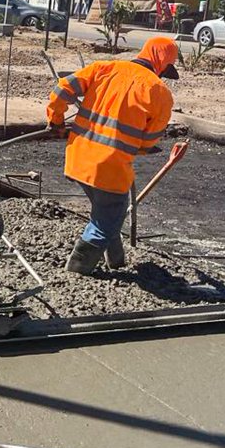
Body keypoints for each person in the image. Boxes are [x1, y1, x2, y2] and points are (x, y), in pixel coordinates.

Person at [46, 36, 180, 274]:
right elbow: (150, 140)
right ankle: (77, 270)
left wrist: (56, 121)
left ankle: (116, 263)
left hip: (77, 159)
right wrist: (135, 148)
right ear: (162, 63)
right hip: (109, 168)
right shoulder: (159, 92)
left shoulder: (103, 68)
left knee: (106, 214)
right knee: (106, 221)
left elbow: (61, 89)